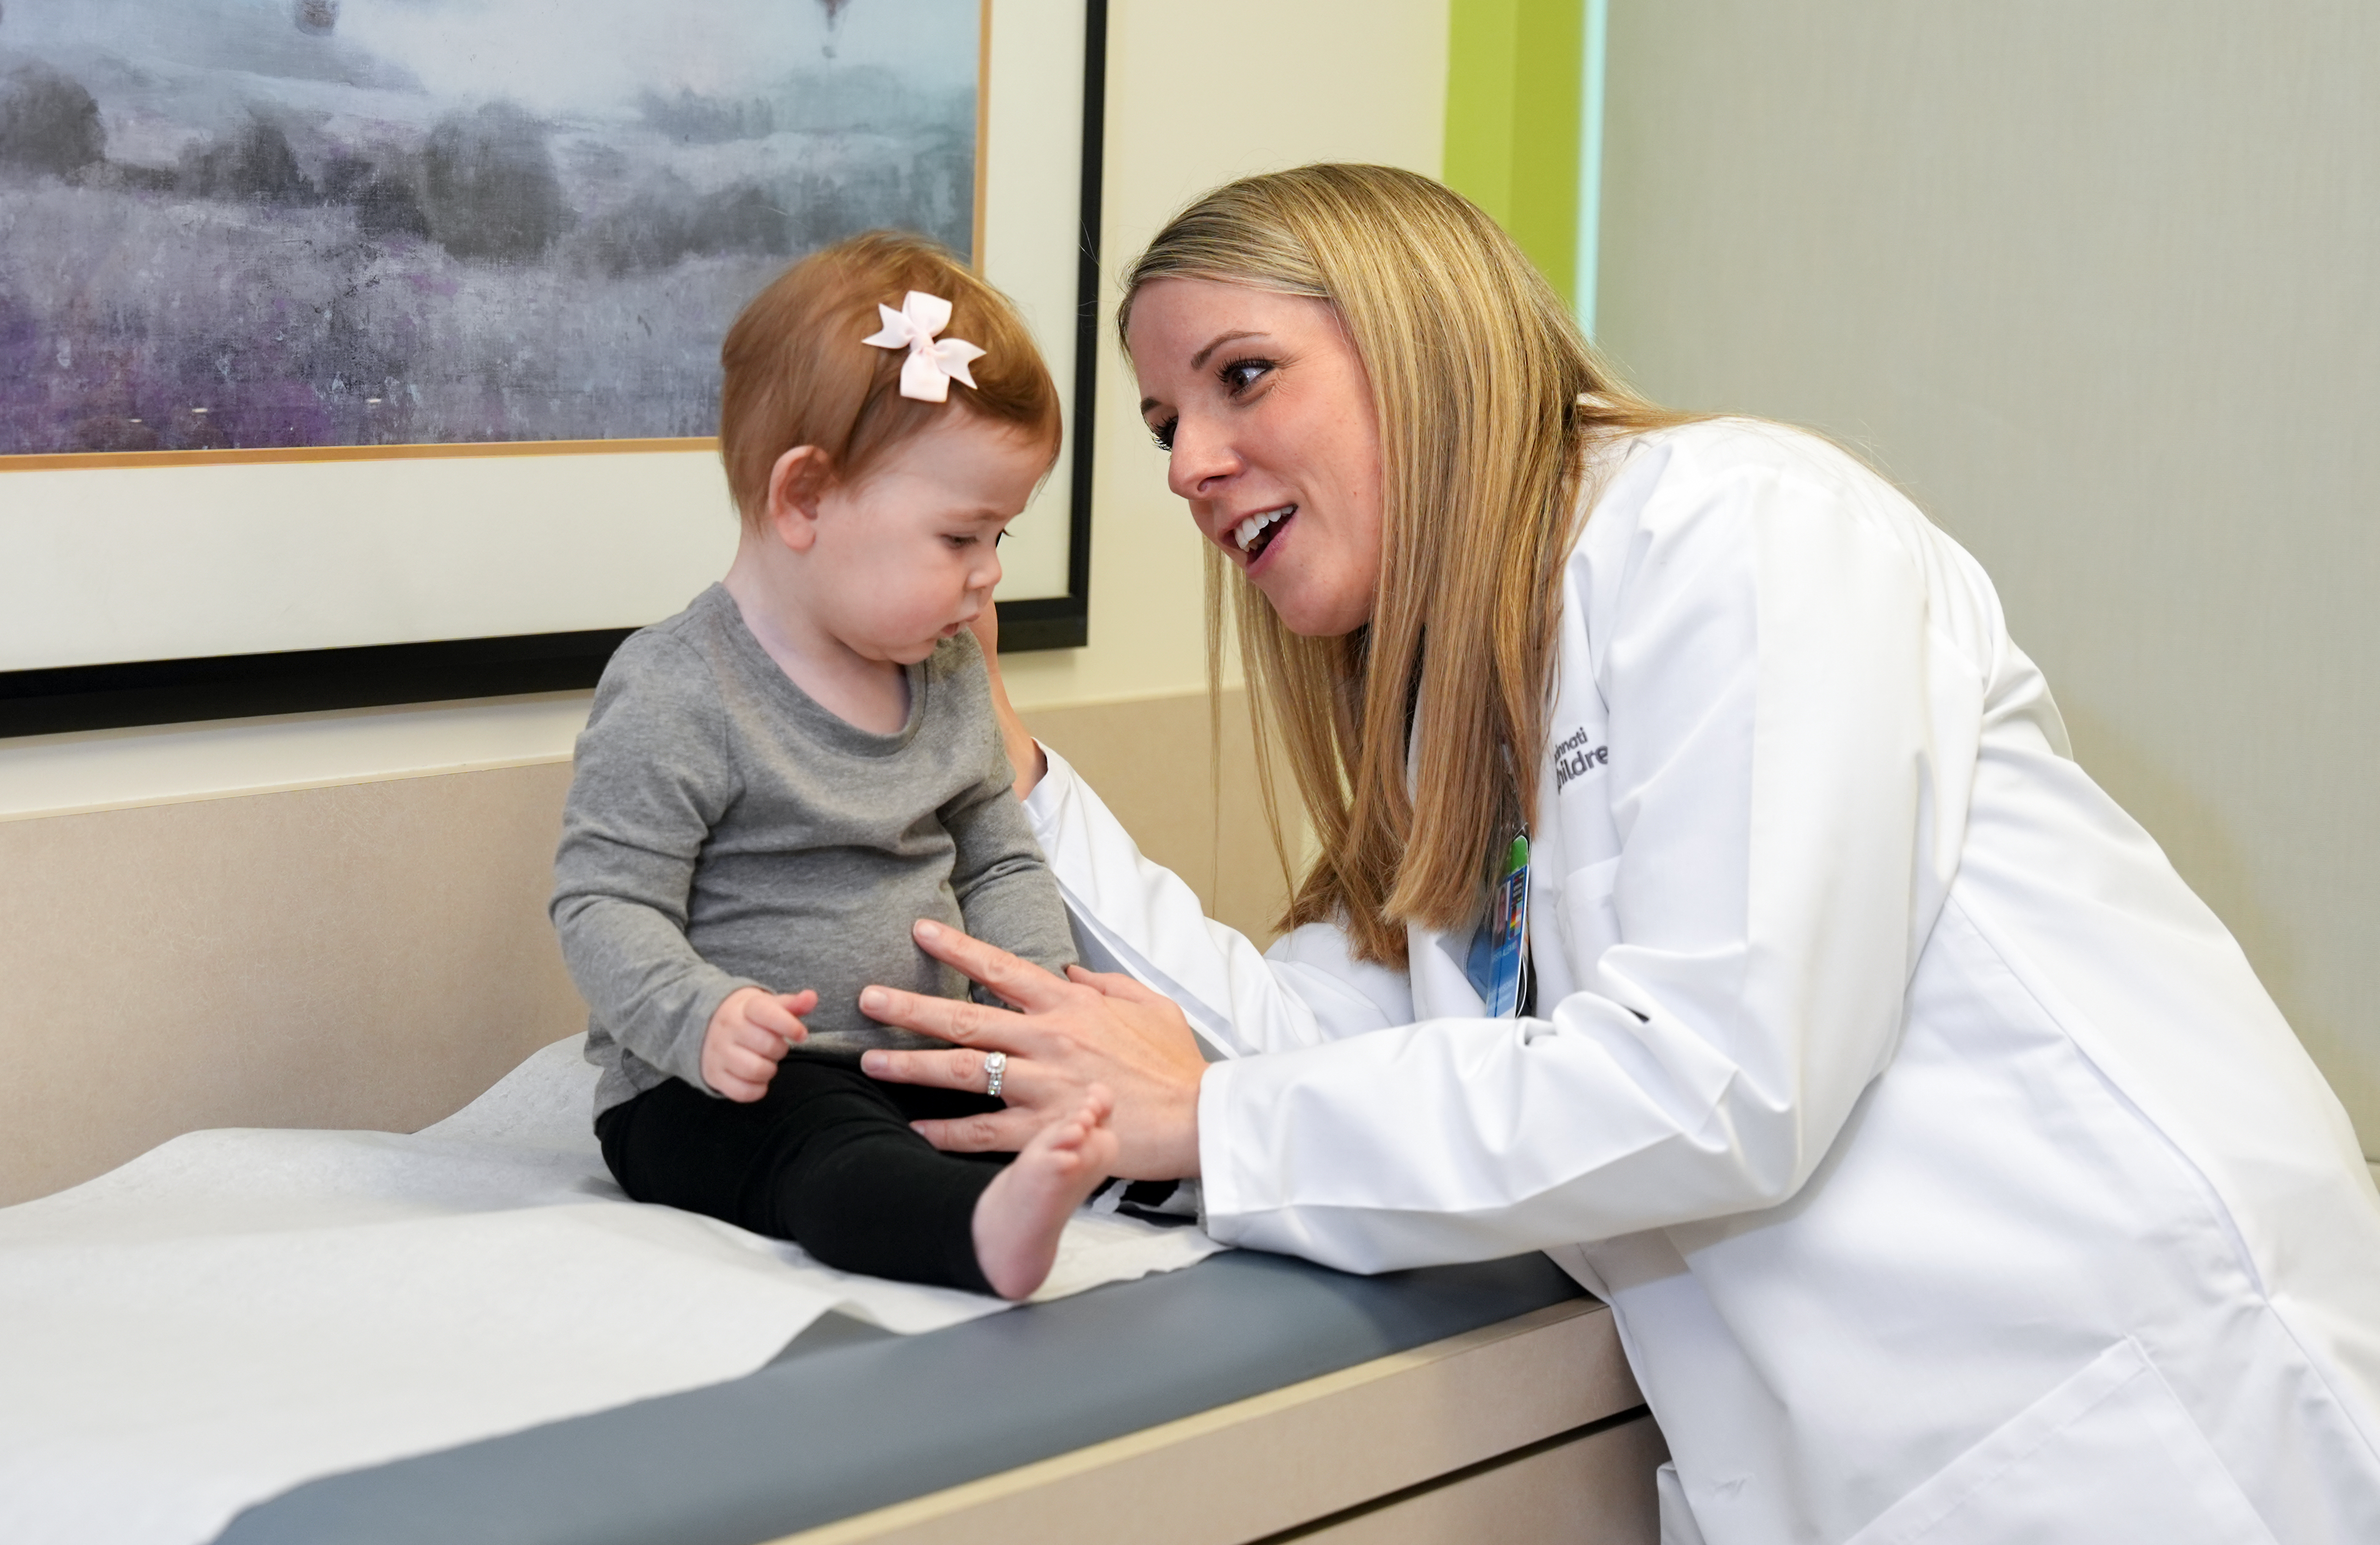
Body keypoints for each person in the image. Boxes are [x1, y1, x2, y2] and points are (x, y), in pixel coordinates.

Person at [849, 166, 2380, 1540]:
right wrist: (1010, 768)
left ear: (1427, 342)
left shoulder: (1738, 533)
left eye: (1243, 378)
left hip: (2139, 1423)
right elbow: (1284, 1048)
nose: (1188, 464)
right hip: (1877, 1470)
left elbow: (1721, 1080)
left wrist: (1217, 1126)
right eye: (1169, 423)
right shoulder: (1454, 717)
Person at [549, 232, 1113, 1302]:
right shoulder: (682, 687)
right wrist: (701, 1015)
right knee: (829, 1157)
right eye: (961, 538)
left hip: (909, 1065)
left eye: (1003, 537)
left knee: (1042, 1112)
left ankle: (1023, 1186)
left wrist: (1040, 1001)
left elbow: (997, 858)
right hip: (724, 1088)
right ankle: (975, 1235)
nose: (988, 576)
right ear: (804, 499)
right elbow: (603, 901)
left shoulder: (944, 672)